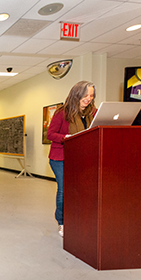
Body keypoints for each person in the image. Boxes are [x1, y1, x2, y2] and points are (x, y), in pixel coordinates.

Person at [47, 81, 96, 237]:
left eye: (91, 96)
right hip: (60, 157)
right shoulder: (62, 113)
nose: (88, 99)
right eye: (85, 95)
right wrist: (66, 137)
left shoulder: (92, 113)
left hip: (81, 157)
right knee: (64, 190)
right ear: (77, 94)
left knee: (81, 190)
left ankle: (78, 218)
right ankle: (62, 222)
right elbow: (50, 134)